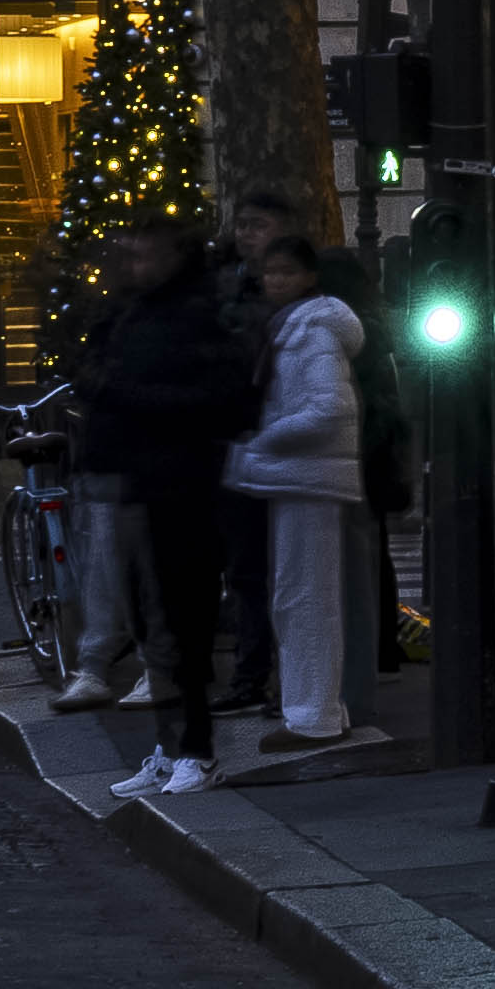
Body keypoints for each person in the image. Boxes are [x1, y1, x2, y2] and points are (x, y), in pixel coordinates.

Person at [61, 212, 262, 790]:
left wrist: (121, 393)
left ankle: (195, 750)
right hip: (136, 481)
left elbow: (221, 400)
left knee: (184, 619)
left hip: (182, 485)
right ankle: (171, 746)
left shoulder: (198, 317)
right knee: (154, 623)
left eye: (145, 253)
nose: (133, 264)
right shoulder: (133, 310)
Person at [231, 212, 378, 753]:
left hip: (308, 478)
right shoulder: (299, 326)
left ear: (309, 277)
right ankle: (316, 708)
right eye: (270, 273)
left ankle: (312, 713)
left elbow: (328, 408)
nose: (276, 282)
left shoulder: (311, 329)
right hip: (304, 478)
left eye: (287, 272)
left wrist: (265, 439)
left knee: (304, 598)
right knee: (301, 596)